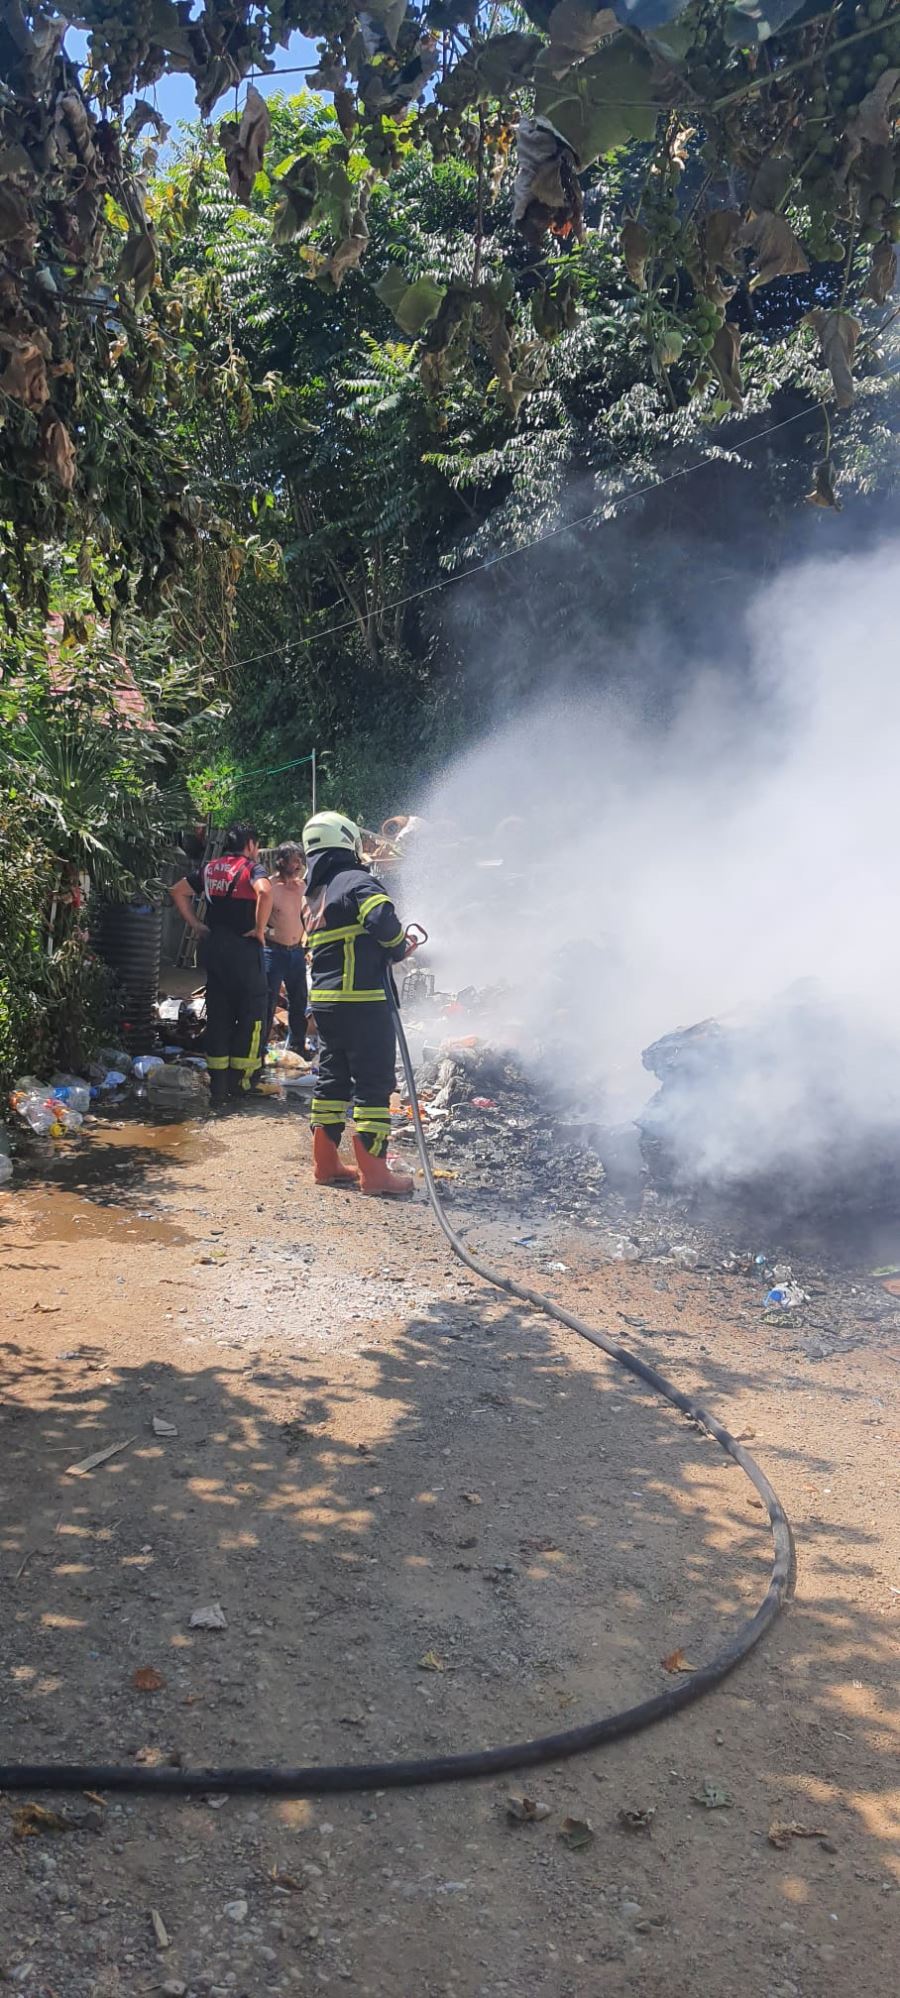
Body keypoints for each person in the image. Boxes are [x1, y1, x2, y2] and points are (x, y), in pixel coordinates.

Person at [300, 810, 419, 1194]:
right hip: (364, 1002)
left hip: (326, 1006)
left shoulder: (314, 896)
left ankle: (326, 1165)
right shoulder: (356, 880)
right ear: (348, 841)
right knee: (373, 1084)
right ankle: (375, 1174)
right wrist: (399, 947)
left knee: (332, 1080)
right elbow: (383, 921)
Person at [169, 825, 271, 1106]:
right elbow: (264, 892)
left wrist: (197, 925)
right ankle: (242, 1084)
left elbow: (177, 890)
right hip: (245, 949)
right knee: (252, 1015)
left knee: (219, 1013)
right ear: (250, 844)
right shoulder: (252, 869)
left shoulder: (210, 869)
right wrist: (260, 929)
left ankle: (218, 1086)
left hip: (214, 947)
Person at [265, 842, 310, 1054]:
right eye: (294, 860)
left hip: (297, 952)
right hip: (274, 952)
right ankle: (260, 1048)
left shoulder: (302, 887)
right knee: (267, 1000)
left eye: (300, 860)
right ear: (281, 862)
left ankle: (296, 1047)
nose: (299, 864)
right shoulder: (270, 887)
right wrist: (270, 934)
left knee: (299, 1000)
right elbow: (259, 921)